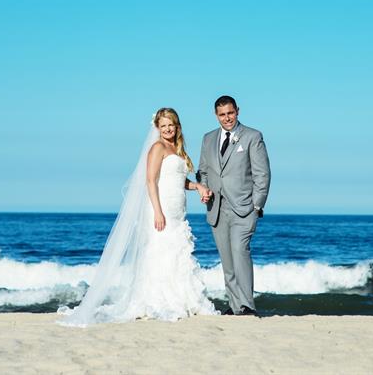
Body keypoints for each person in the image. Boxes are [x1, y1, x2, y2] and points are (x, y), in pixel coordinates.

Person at [58, 108, 217, 326]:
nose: (167, 129)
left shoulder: (177, 148)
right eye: (163, 126)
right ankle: (158, 300)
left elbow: (179, 180)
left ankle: (182, 298)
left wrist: (197, 186)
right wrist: (158, 211)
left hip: (177, 210)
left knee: (177, 251)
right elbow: (150, 181)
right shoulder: (157, 147)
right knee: (161, 251)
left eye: (170, 125)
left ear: (177, 126)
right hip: (161, 208)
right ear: (157, 128)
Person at [197, 95, 271, 316]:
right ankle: (235, 305)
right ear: (216, 115)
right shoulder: (208, 138)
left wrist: (257, 206)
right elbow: (203, 170)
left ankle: (247, 305)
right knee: (227, 260)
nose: (227, 118)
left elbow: (262, 174)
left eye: (230, 113)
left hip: (244, 208)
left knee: (240, 252)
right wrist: (204, 188)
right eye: (222, 114)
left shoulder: (252, 136)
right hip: (216, 208)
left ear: (237, 111)